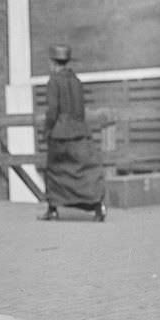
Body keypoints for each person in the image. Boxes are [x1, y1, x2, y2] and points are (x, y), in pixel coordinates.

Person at [39, 44, 106, 222]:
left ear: (53, 62)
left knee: (55, 171)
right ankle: (98, 206)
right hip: (80, 132)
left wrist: (46, 130)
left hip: (60, 134)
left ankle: (52, 209)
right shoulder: (77, 81)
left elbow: (52, 111)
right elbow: (81, 110)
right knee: (83, 171)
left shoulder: (53, 81)